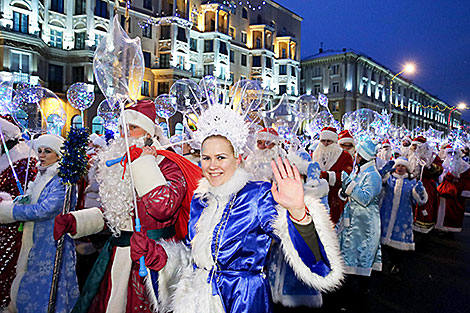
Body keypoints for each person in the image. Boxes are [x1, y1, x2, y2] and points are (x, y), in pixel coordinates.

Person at [130, 102, 344, 313]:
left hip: (242, 299)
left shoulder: (257, 195)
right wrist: (159, 255)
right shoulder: (201, 198)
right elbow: (194, 259)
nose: (212, 166)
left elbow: (315, 260)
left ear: (238, 158)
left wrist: (298, 211)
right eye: (206, 158)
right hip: (197, 300)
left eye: (221, 157)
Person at [54, 100, 201, 313]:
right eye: (122, 127)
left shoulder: (169, 165)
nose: (125, 134)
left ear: (149, 133)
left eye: (132, 127)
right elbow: (116, 216)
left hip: (154, 261)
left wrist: (144, 164)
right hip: (117, 259)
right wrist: (78, 221)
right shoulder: (119, 165)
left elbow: (163, 208)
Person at [0, 134, 79, 313]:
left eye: (47, 151)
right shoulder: (43, 176)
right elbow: (33, 202)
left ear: (59, 155)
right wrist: (16, 202)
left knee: (50, 288)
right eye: (40, 151)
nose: (42, 155)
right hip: (36, 241)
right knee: (32, 283)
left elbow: (44, 210)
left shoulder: (62, 179)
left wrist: (9, 212)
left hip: (52, 242)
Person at [336, 137, 382, 312]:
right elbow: (350, 196)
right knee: (349, 257)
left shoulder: (373, 175)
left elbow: (364, 199)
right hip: (354, 221)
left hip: (365, 224)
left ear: (363, 155)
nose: (355, 156)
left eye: (357, 153)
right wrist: (343, 191)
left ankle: (360, 299)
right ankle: (347, 296)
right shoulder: (360, 172)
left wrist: (348, 186)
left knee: (361, 259)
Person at [0, 116, 37, 309]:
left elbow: (25, 196)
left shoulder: (23, 160)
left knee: (8, 270)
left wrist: (4, 201)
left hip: (12, 228)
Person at [379, 157, 428, 274]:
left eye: (403, 166)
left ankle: (396, 265)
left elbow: (419, 201)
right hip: (386, 214)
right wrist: (382, 173)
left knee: (399, 245)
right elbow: (378, 186)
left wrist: (420, 191)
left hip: (403, 217)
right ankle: (388, 263)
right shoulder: (388, 179)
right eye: (398, 166)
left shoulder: (412, 182)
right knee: (385, 244)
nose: (400, 168)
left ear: (407, 168)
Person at [311, 127, 353, 224]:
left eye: (328, 141)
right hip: (318, 198)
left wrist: (326, 175)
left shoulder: (345, 156)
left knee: (334, 227)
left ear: (334, 142)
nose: (325, 144)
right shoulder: (315, 154)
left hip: (336, 198)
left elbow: (346, 177)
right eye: (323, 141)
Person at [436, 145, 470, 233]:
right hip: (444, 190)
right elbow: (440, 176)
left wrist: (456, 180)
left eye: (454, 153)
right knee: (442, 209)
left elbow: (466, 180)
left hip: (456, 193)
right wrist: (444, 177)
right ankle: (441, 227)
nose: (452, 155)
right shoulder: (445, 164)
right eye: (450, 153)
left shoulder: (464, 166)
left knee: (454, 211)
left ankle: (451, 229)